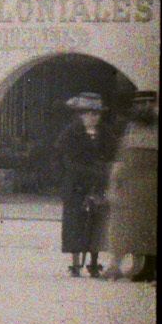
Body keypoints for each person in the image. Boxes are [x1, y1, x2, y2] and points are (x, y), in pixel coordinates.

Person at [103, 89, 158, 281]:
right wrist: (112, 186)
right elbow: (118, 160)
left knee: (148, 229)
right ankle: (115, 266)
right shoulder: (126, 127)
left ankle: (144, 267)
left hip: (151, 187)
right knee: (122, 227)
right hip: (129, 186)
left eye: (149, 104)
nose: (144, 107)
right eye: (140, 104)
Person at [54, 92, 109, 277]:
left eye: (96, 114)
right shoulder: (70, 133)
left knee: (97, 223)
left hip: (98, 185)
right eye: (88, 113)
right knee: (74, 223)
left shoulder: (105, 133)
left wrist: (104, 173)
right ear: (80, 114)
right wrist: (93, 172)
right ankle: (75, 264)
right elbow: (67, 161)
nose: (93, 117)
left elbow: (112, 155)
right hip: (75, 185)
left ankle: (94, 263)